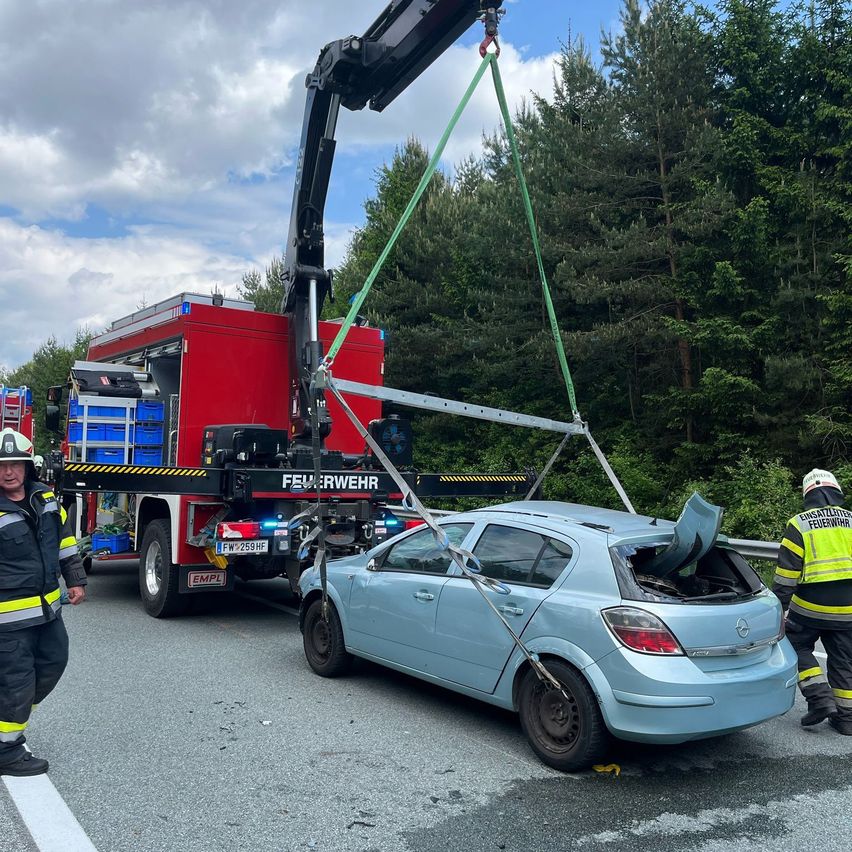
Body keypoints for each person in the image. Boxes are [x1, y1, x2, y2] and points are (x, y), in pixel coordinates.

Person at [0, 427, 87, 776]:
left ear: (27, 466)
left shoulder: (46, 499)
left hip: (48, 612)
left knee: (54, 662)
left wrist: (76, 580)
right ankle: (6, 751)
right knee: (16, 682)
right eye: (2, 465)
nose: (8, 471)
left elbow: (65, 543)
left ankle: (9, 717)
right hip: (8, 622)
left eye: (15, 464)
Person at [773, 469, 852, 735]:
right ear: (836, 491)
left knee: (793, 644)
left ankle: (819, 698)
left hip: (810, 608)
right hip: (849, 609)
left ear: (808, 494)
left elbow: (787, 574)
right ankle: (846, 719)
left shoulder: (799, 524)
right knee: (843, 659)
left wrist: (779, 609)